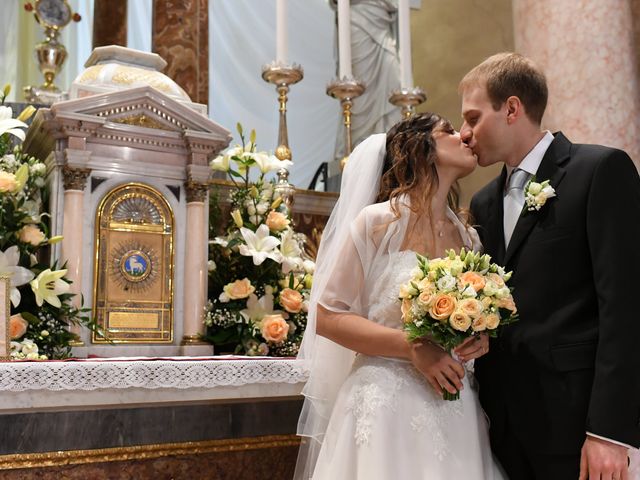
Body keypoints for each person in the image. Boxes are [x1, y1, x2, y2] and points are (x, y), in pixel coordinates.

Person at [294, 113, 505, 479]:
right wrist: (412, 346)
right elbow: (327, 316)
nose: (464, 136)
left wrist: (478, 337)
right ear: (421, 149)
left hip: (454, 404)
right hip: (387, 407)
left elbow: (471, 319)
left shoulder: (469, 238)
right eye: (449, 131)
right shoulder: (376, 223)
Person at [461, 52, 640, 480]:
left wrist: (609, 432)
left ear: (511, 108)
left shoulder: (598, 170)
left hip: (579, 423)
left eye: (472, 117)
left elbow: (626, 306)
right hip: (502, 426)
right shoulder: (483, 201)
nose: (465, 133)